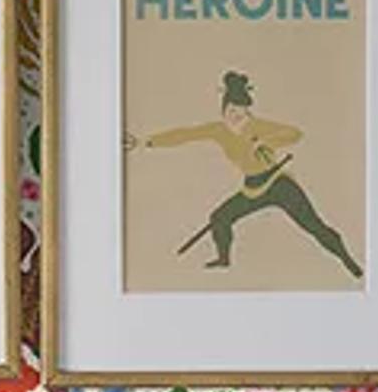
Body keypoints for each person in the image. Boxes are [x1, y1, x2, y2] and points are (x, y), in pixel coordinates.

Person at [145, 70, 359, 278]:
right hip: (252, 187)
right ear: (223, 108)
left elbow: (294, 133)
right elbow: (185, 134)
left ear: (248, 111)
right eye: (231, 110)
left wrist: (267, 141)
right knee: (220, 217)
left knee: (314, 226)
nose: (235, 116)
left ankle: (347, 259)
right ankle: (223, 259)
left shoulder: (259, 126)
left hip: (278, 184)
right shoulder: (218, 130)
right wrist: (148, 142)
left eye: (241, 111)